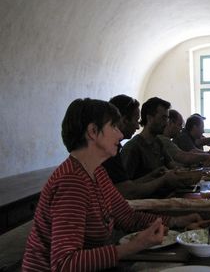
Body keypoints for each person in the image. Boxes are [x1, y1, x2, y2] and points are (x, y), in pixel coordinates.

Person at [22, 98, 200, 271]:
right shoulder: (72, 182)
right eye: (114, 126)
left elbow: (127, 217)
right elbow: (65, 263)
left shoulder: (97, 172)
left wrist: (176, 221)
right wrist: (134, 246)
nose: (121, 134)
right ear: (93, 131)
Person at [103, 95, 190, 199]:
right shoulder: (130, 148)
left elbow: (126, 185)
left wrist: (152, 176)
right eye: (163, 118)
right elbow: (127, 192)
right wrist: (163, 180)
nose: (137, 126)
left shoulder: (158, 142)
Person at [121, 97, 176, 180]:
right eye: (163, 118)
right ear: (149, 118)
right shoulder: (133, 148)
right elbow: (126, 187)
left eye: (167, 118)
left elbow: (173, 166)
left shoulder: (158, 142)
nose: (166, 123)